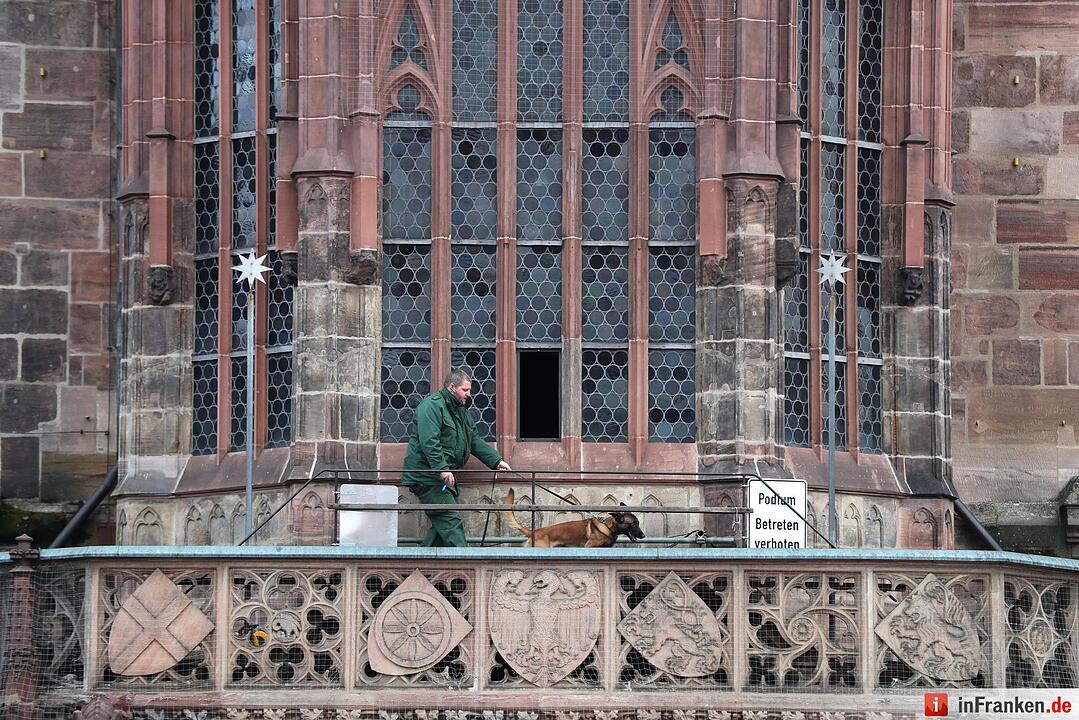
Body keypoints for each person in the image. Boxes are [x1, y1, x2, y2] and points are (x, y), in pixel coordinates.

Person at [402, 368, 512, 547]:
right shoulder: (431, 406)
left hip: (441, 479)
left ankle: (421, 570)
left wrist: (496, 461)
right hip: (428, 477)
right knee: (450, 521)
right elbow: (429, 442)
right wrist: (442, 469)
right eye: (465, 390)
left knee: (443, 526)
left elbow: (474, 440)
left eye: (469, 390)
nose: (469, 394)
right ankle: (467, 567)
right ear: (452, 387)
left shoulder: (461, 411)